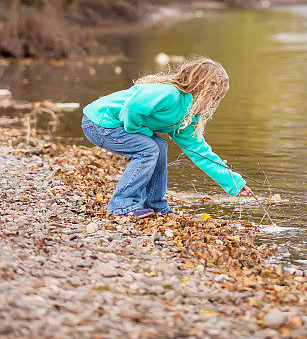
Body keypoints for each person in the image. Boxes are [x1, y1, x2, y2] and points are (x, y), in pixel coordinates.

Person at [81, 56, 252, 218]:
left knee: (160, 147)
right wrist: (139, 131)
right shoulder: (169, 94)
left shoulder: (187, 118)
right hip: (99, 122)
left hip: (116, 126)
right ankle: (121, 205)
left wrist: (234, 182)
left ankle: (154, 204)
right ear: (200, 89)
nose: (214, 104)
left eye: (218, 100)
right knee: (149, 149)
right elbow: (131, 108)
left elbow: (200, 152)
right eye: (213, 98)